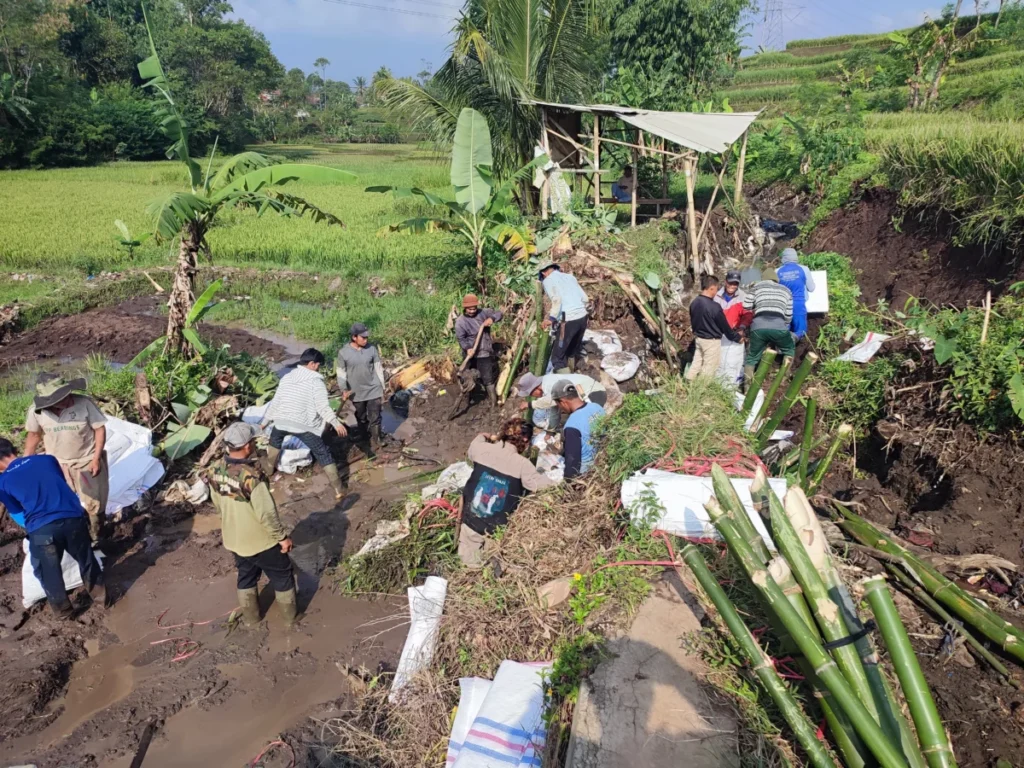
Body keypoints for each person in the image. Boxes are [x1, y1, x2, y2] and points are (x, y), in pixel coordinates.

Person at [0, 438, 104, 618]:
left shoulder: (2, 482)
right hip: (73, 519)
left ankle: (64, 612)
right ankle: (102, 599)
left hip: (42, 530)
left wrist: (33, 529)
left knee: (48, 571)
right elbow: (58, 485)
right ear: (14, 449)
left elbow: (17, 513)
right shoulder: (47, 459)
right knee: (86, 560)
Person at [208, 423, 299, 629]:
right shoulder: (252, 477)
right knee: (282, 575)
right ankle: (291, 619)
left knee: (246, 576)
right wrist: (282, 538)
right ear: (248, 446)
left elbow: (218, 505)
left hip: (234, 539)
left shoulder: (214, 470)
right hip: (261, 541)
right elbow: (266, 514)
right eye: (254, 442)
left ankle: (251, 619)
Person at [24, 373, 108, 546]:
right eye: (61, 399)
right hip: (58, 466)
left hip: (87, 461)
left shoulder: (84, 404)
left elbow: (99, 430)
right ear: (49, 403)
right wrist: (26, 463)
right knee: (65, 504)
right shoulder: (36, 411)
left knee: (95, 503)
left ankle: (97, 536)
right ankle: (78, 537)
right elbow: (34, 435)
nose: (67, 400)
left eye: (67, 395)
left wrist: (96, 458)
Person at [460, 418, 556, 569]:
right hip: (496, 531)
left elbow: (478, 439)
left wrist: (488, 436)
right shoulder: (523, 465)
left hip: (471, 521)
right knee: (490, 569)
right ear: (525, 441)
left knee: (468, 567)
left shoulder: (481, 449)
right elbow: (544, 486)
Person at [262, 348, 347, 500]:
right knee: (323, 453)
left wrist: (265, 421)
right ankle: (338, 489)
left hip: (281, 421)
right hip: (304, 425)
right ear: (313, 364)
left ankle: (268, 471)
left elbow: (276, 402)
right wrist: (336, 423)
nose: (319, 368)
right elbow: (322, 407)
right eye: (319, 365)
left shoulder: (287, 377)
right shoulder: (316, 381)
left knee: (274, 441)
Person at [337, 322, 388, 453]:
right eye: (363, 337)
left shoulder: (372, 349)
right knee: (361, 416)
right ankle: (365, 438)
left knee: (375, 416)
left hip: (373, 388)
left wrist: (383, 386)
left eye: (367, 337)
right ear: (354, 337)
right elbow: (341, 373)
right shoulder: (344, 353)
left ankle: (377, 439)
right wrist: (343, 389)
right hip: (356, 392)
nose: (366, 340)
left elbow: (378, 368)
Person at [742, 268, 795, 382]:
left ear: (763, 279)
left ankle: (747, 387)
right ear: (776, 280)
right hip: (779, 326)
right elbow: (788, 315)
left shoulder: (756, 287)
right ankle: (783, 379)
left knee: (751, 358)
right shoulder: (786, 290)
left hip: (758, 326)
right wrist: (782, 325)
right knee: (789, 350)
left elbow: (746, 306)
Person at [686, 274, 742, 381]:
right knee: (709, 369)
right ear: (711, 288)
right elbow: (725, 328)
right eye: (716, 289)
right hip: (711, 342)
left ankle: (688, 383)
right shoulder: (714, 307)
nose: (716, 293)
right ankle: (700, 392)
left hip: (699, 339)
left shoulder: (694, 302)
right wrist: (738, 338)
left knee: (696, 363)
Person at [539, 262, 590, 374]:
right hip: (583, 317)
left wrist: (551, 319)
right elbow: (585, 298)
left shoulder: (548, 280)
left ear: (544, 272)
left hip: (567, 320)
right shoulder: (570, 277)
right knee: (571, 351)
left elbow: (557, 300)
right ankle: (572, 373)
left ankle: (565, 385)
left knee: (557, 358)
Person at [454, 294, 504, 407]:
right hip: (470, 353)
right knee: (467, 377)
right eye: (469, 309)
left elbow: (500, 313)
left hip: (484, 351)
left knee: (487, 378)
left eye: (474, 308)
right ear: (465, 308)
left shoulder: (484, 312)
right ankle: (468, 400)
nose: (472, 311)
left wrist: (492, 318)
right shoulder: (460, 322)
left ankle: (492, 403)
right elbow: (461, 338)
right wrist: (467, 348)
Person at [514, 372, 606, 431]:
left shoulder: (549, 384)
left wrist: (529, 404)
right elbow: (554, 409)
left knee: (589, 424)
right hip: (587, 394)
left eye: (531, 394)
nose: (532, 396)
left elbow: (549, 402)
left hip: (593, 393)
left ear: (535, 388)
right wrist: (551, 431)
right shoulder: (547, 384)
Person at [552, 380, 605, 479]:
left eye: (558, 405)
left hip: (587, 471)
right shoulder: (597, 407)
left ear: (563, 402)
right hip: (602, 459)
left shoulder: (572, 425)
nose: (560, 409)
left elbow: (573, 464)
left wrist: (567, 483)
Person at [715, 270, 753, 388]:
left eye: (735, 284)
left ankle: (735, 383)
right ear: (725, 282)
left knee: (735, 360)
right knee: (718, 360)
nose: (732, 286)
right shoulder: (716, 296)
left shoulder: (743, 297)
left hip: (734, 333)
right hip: (718, 333)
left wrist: (742, 327)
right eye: (730, 283)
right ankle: (717, 382)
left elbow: (748, 314)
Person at [777, 248, 816, 340]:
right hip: (798, 303)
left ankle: (782, 348)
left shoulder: (777, 271)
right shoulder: (804, 269)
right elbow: (811, 288)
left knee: (784, 330)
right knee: (800, 331)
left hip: (783, 305)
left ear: (784, 258)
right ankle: (794, 342)